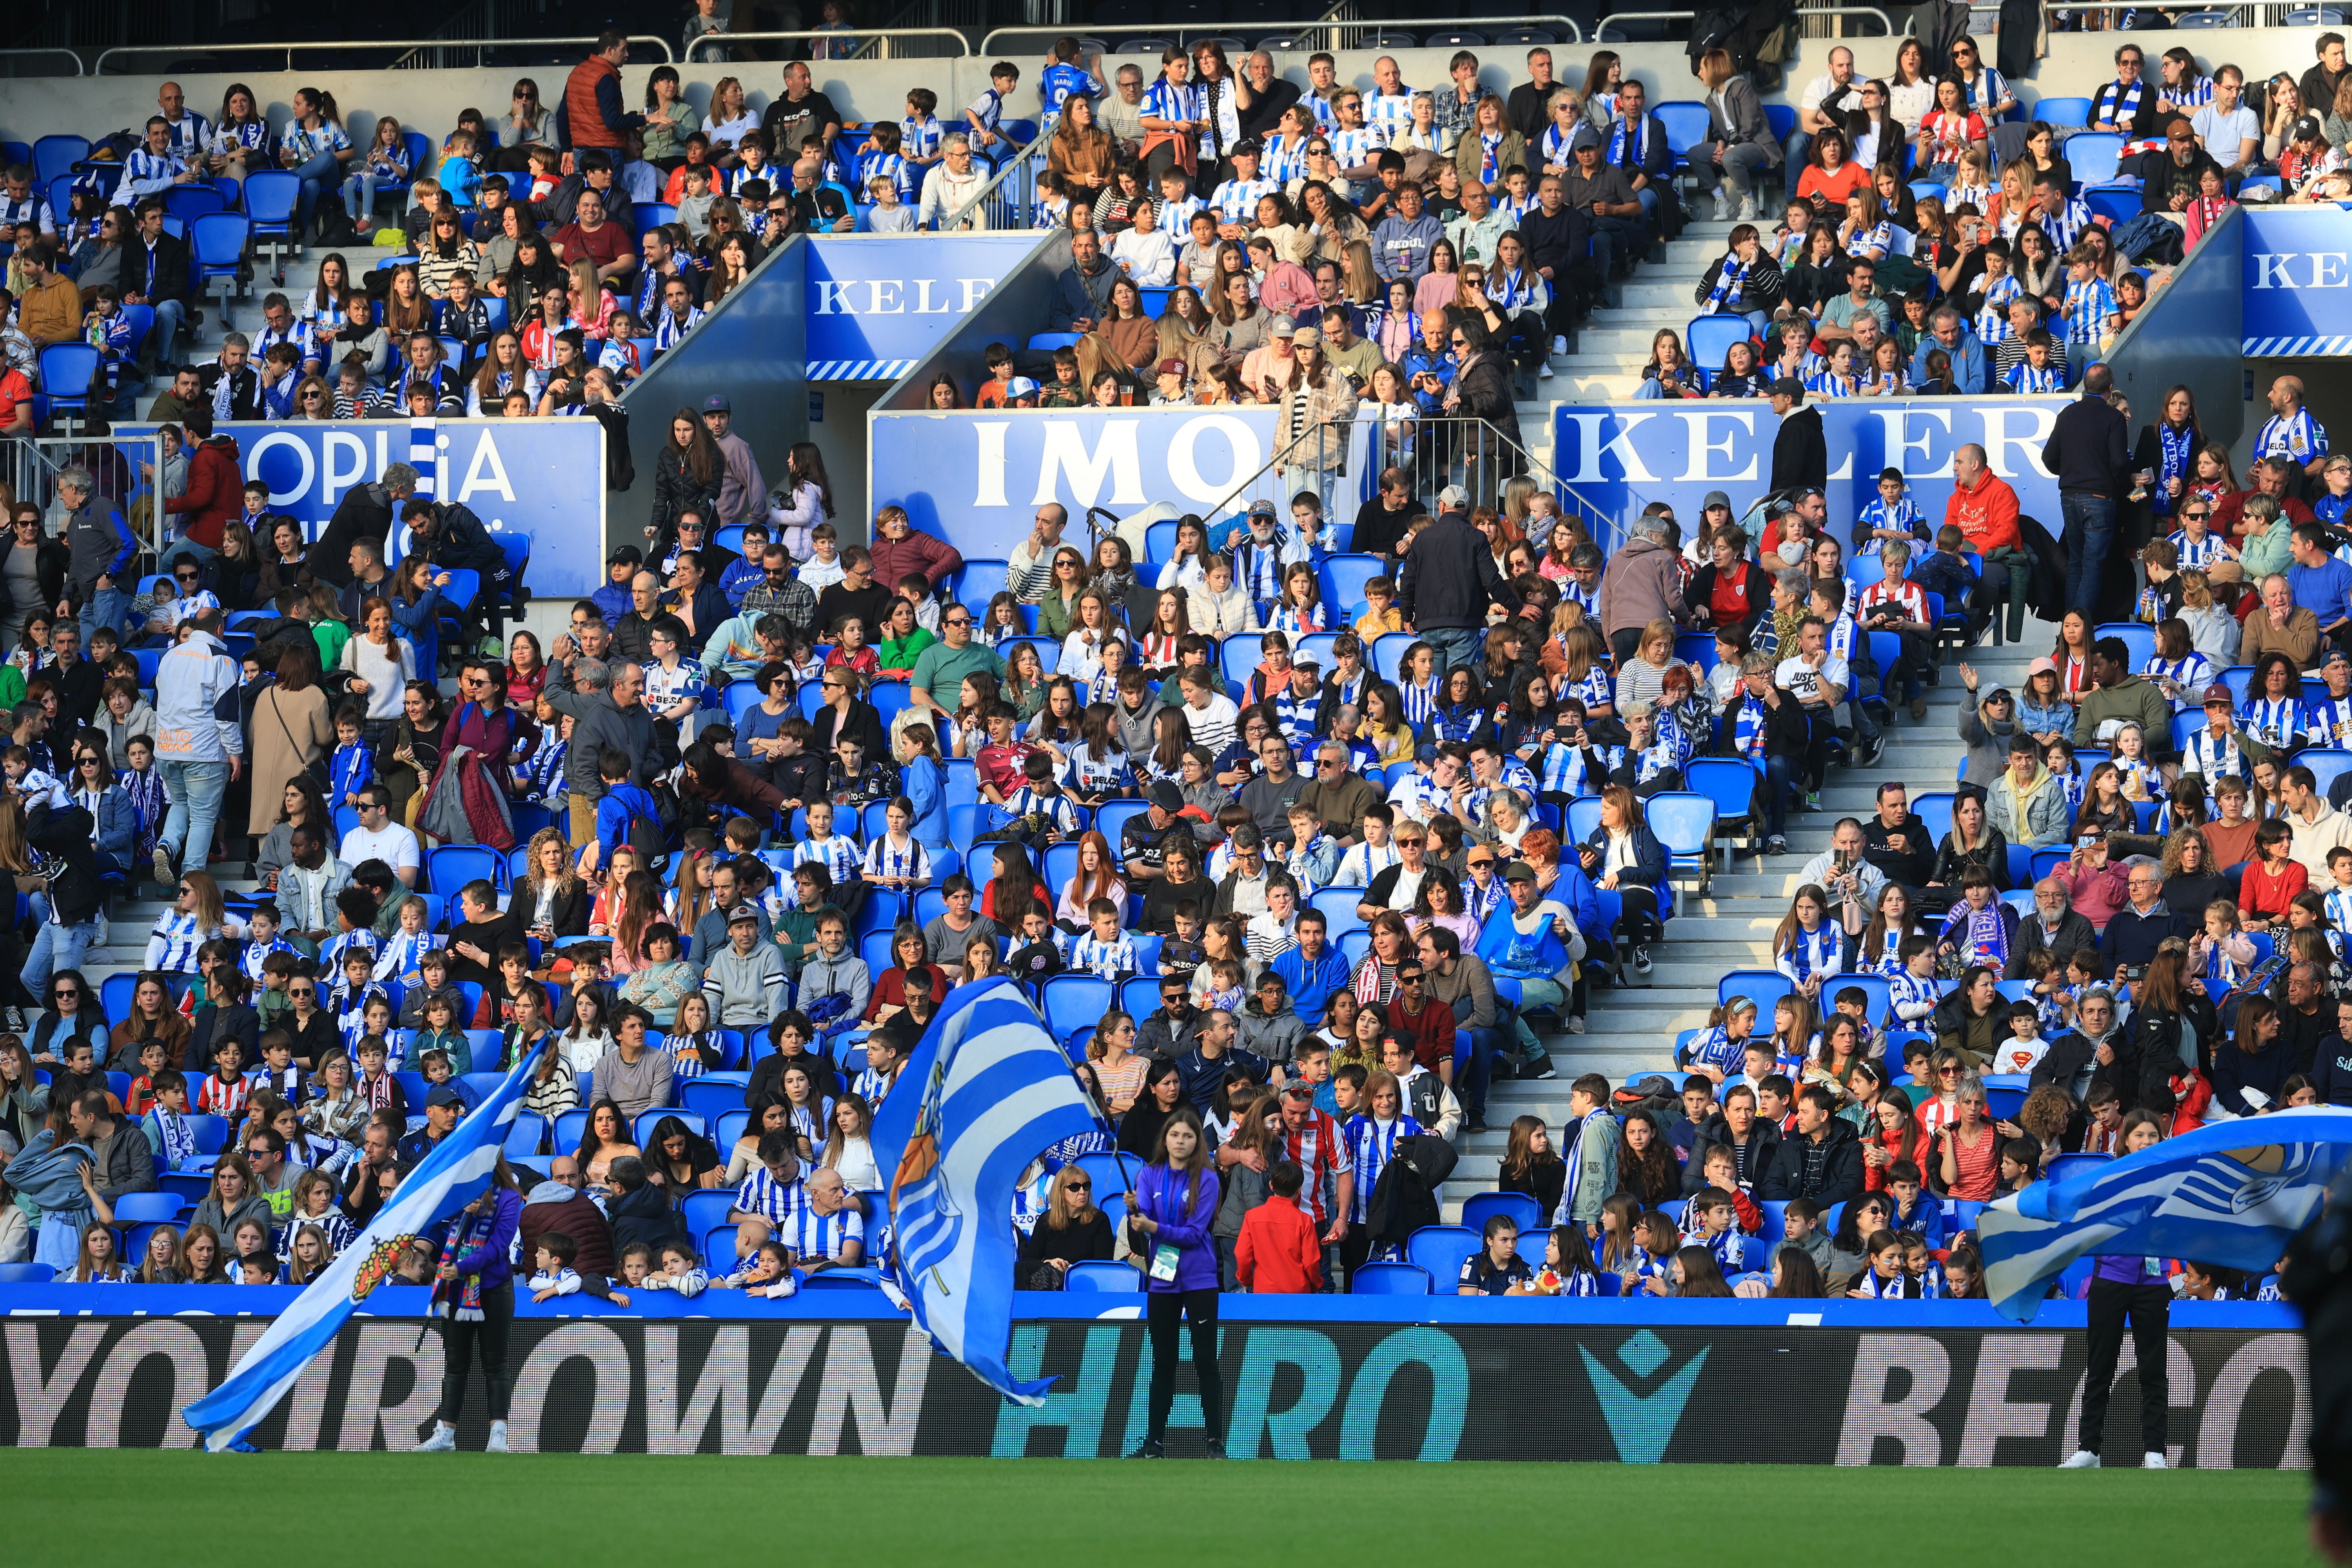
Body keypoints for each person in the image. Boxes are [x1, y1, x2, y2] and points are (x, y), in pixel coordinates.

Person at [2060, 1111, 2171, 1470]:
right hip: (2110, 1279)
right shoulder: (2110, 1177)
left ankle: (2155, 1452)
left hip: (2153, 1283)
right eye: (2140, 1135)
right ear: (2126, 1140)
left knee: (2153, 1370)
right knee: (2100, 1367)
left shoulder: (2171, 1178)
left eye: (2153, 1135)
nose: (2147, 1142)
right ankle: (2089, 1449)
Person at [1123, 1105, 1224, 1457]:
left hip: (1199, 1278)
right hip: (1163, 1279)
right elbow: (1144, 1224)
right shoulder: (1149, 1175)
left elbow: (1195, 1234)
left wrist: (1152, 1228)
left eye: (1188, 1136)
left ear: (1197, 1141)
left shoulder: (1208, 1179)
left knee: (1205, 1361)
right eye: (1175, 1135)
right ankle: (1154, 1443)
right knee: (1163, 1361)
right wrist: (1134, 1212)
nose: (1180, 1141)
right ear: (1165, 1139)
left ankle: (1214, 1442)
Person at [2045, 363, 2135, 622]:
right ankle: (2080, 630)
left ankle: (2069, 629)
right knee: (2093, 567)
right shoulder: (2114, 418)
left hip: (2069, 496)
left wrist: (2070, 475)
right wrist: (2119, 484)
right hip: (2099, 499)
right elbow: (2119, 463)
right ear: (2110, 387)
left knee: (2076, 565)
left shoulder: (2068, 414)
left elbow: (2048, 457)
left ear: (2086, 386)